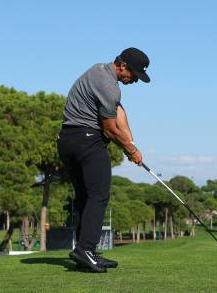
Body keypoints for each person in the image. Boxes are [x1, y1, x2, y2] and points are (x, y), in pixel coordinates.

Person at [57, 47, 150, 273]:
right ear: (123, 65)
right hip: (87, 140)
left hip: (67, 140)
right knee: (99, 195)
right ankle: (85, 250)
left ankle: (84, 252)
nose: (135, 81)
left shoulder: (100, 72)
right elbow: (109, 129)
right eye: (134, 75)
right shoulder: (109, 86)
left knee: (84, 197)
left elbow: (118, 112)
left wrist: (132, 144)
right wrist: (130, 150)